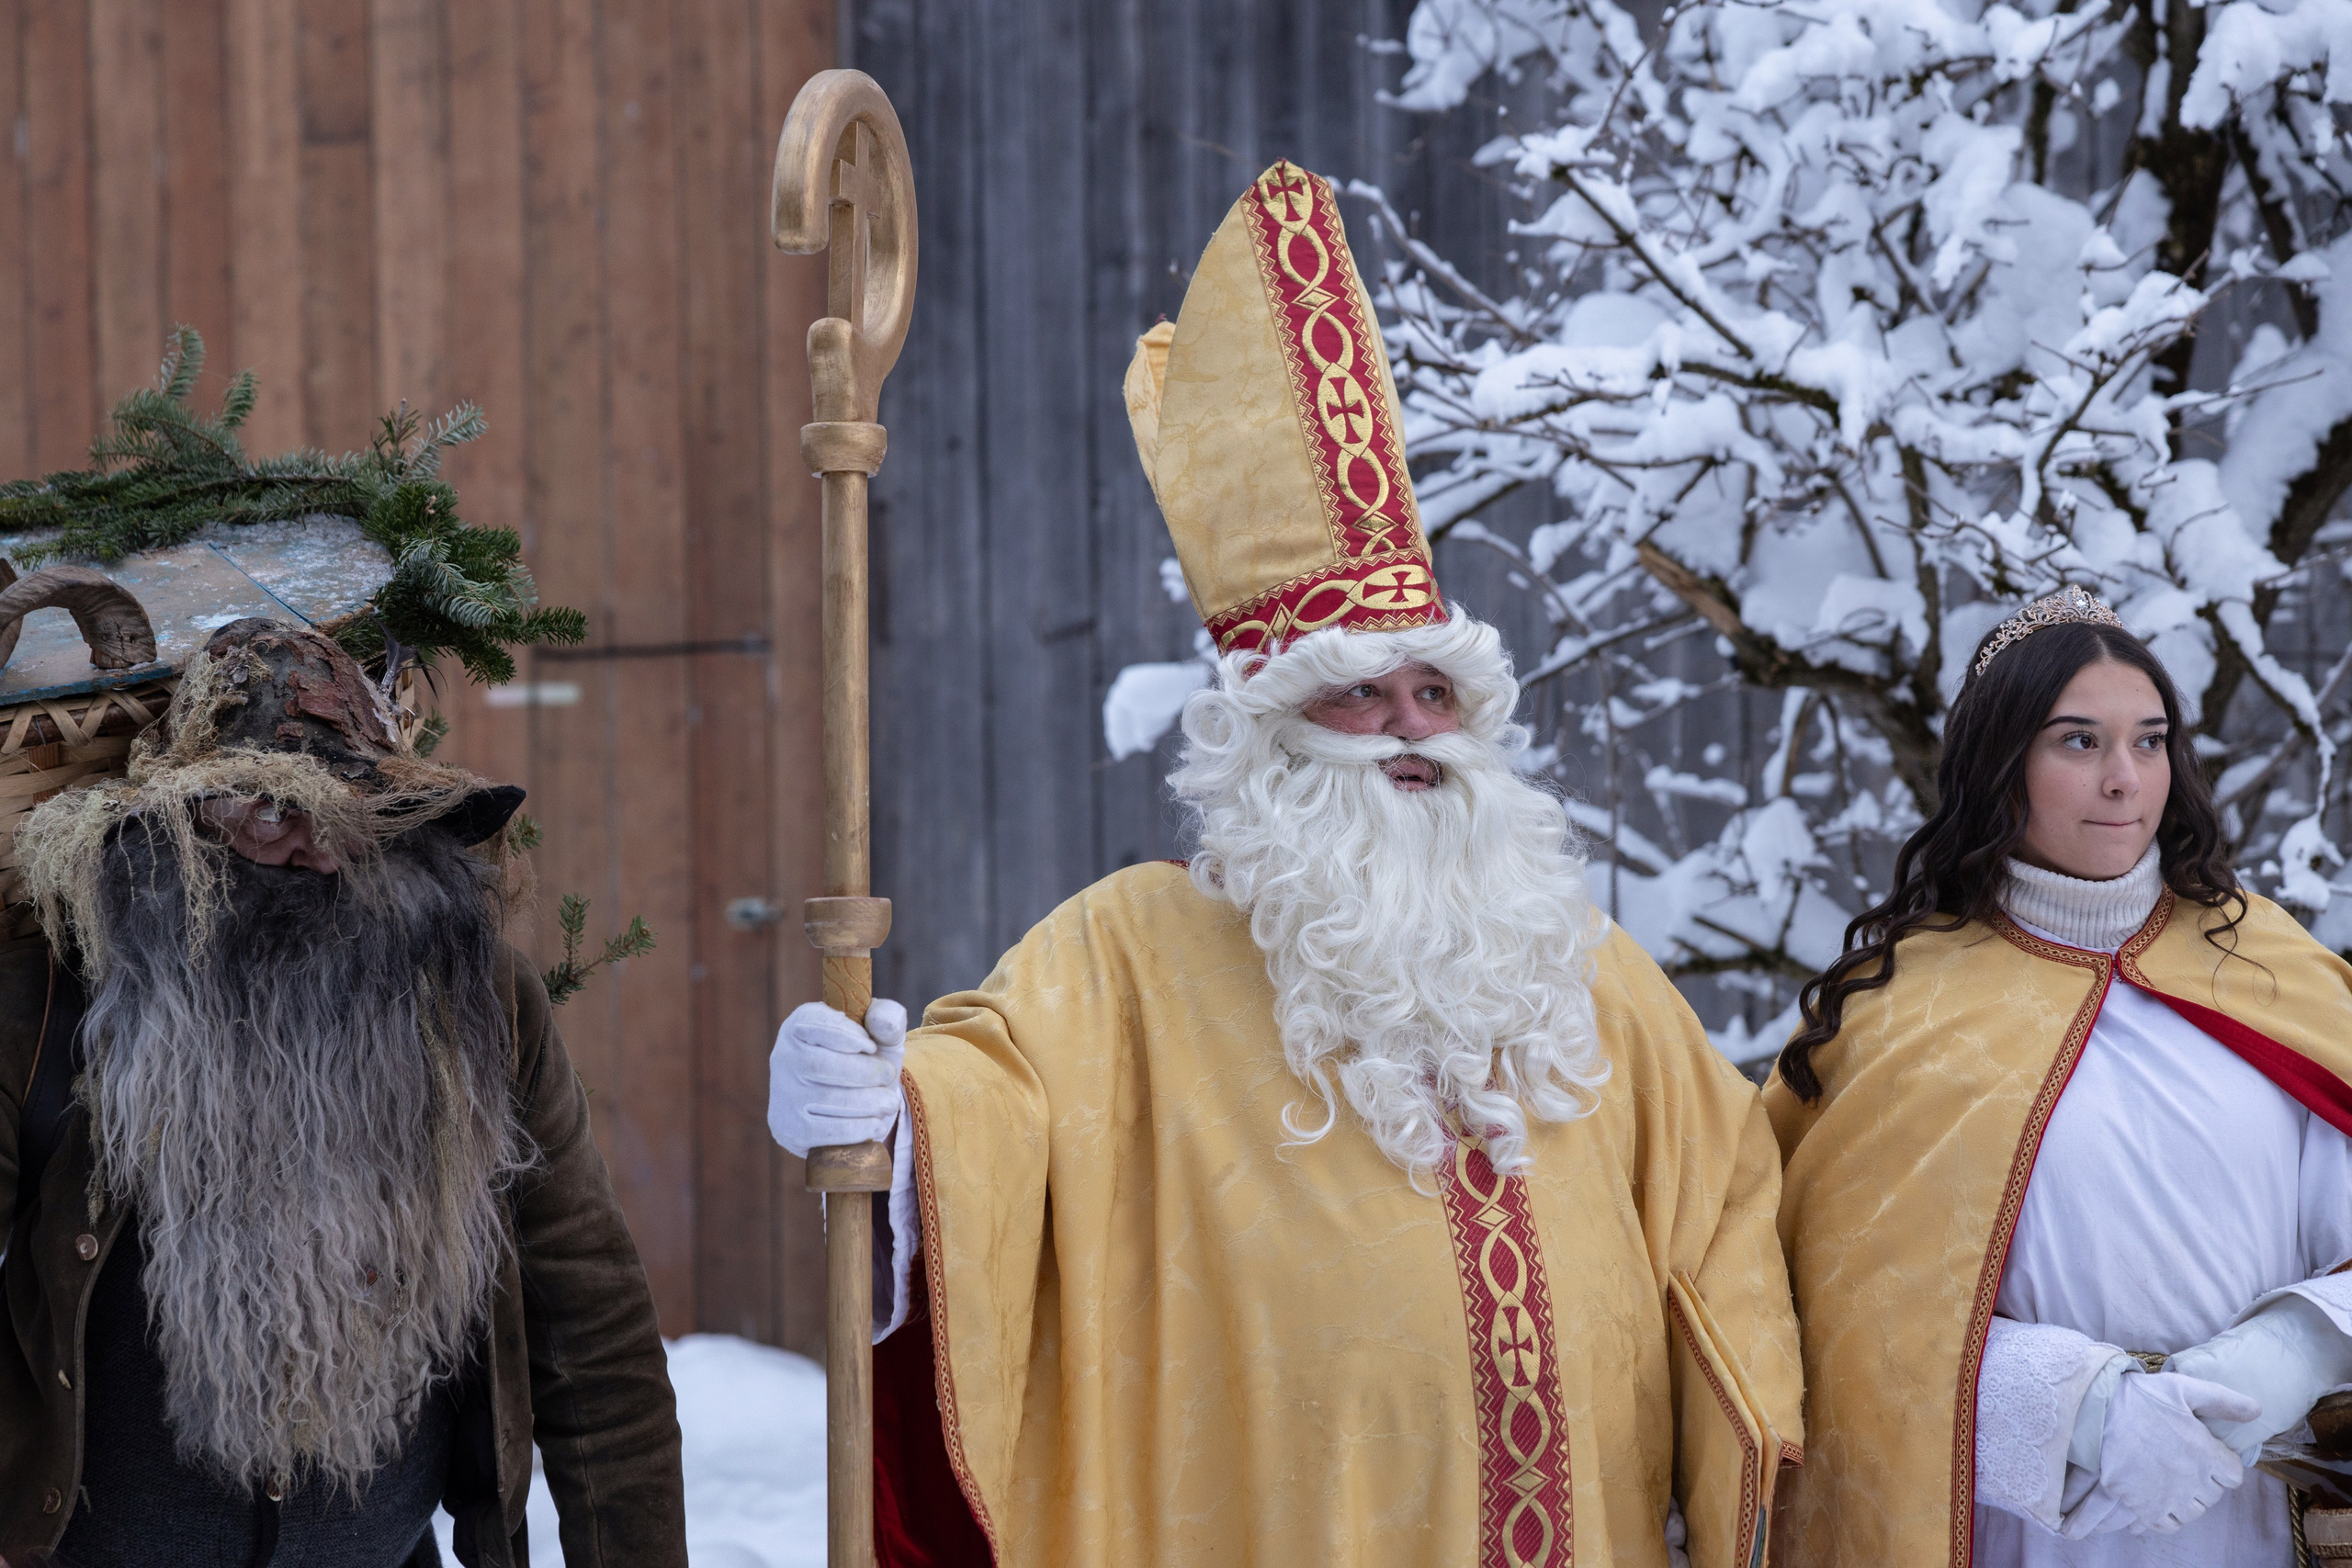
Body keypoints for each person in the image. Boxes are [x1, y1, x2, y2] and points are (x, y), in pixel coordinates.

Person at [769, 160, 1802, 1568]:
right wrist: (882, 1123)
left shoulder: (1580, 964)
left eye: (1432, 693)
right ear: (1262, 741)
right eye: (1356, 695)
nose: (1406, 731)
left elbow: (1734, 1217)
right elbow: (984, 1130)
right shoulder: (1127, 954)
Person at [0, 619, 686, 1567]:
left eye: (348, 809)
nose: (314, 846)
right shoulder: (48, 1000)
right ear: (181, 815)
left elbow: (594, 1331)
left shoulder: (477, 998)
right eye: (269, 809)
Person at [1765, 588, 2352, 1566]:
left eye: (2149, 741)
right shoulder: (1891, 1012)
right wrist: (2073, 1411)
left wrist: (2286, 1358)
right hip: (2026, 1529)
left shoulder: (2266, 967)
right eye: (2077, 743)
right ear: (2001, 768)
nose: (2124, 780)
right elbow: (1824, 1314)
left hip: (2265, 1518)